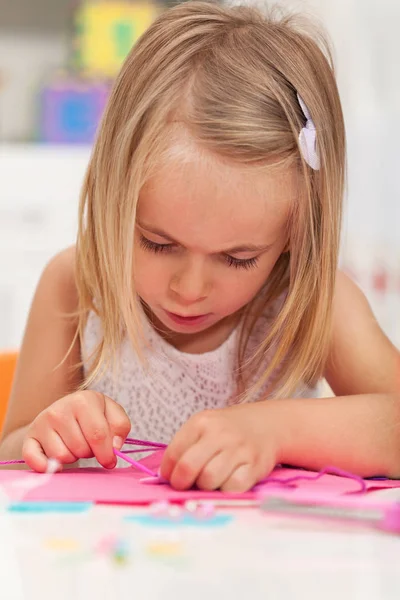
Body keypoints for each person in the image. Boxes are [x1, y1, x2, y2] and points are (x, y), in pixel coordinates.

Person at [1, 2, 399, 492]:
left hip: (273, 566)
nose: (189, 289)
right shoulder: (76, 285)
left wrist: (273, 430)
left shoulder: (313, 301)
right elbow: (13, 454)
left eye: (237, 258)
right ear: (113, 195)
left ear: (297, 233)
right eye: (157, 243)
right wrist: (53, 434)